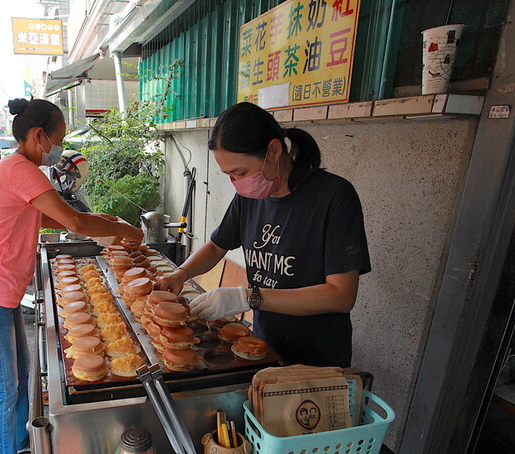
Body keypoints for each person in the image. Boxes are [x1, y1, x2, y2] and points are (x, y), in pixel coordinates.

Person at [0, 98, 143, 454]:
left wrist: (105, 222)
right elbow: (73, 220)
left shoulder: (13, 170)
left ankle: (18, 445)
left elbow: (45, 218)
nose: (58, 149)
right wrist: (123, 232)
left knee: (18, 380)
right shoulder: (21, 170)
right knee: (2, 391)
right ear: (39, 136)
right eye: (57, 140)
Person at [158, 102, 370, 367]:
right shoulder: (249, 198)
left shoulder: (334, 198)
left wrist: (248, 296)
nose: (237, 182)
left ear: (273, 150)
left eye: (241, 172)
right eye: (229, 175)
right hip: (263, 347)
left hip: (317, 359)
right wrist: (181, 273)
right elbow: (216, 246)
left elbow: (341, 296)